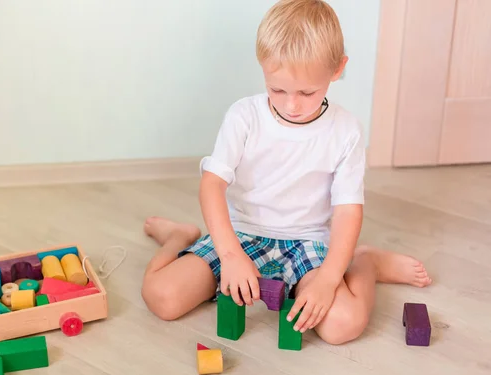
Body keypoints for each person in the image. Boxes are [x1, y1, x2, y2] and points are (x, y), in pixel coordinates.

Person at [140, 0, 432, 345]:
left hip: (306, 242)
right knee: (162, 297)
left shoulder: (346, 131)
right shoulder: (243, 116)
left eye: (307, 92)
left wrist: (329, 277)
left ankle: (366, 263)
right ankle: (179, 237)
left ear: (338, 69)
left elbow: (348, 210)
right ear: (263, 66)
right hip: (242, 235)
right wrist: (231, 256)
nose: (291, 105)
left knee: (343, 325)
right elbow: (212, 185)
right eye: (277, 89)